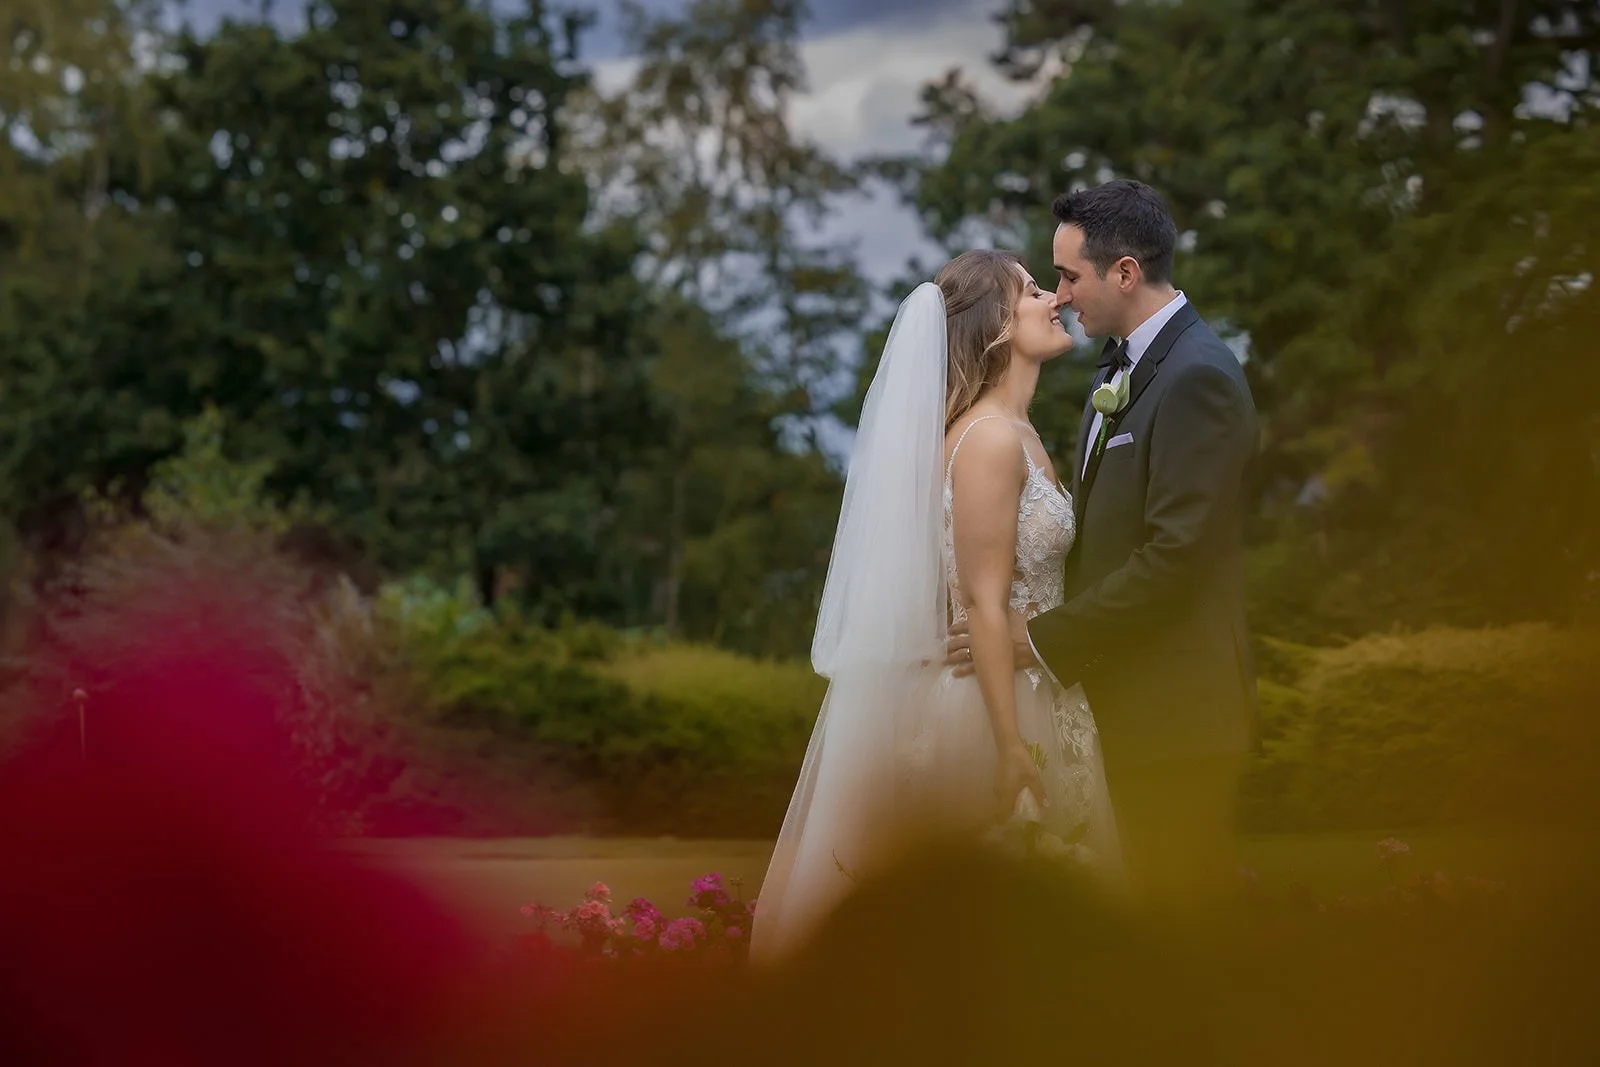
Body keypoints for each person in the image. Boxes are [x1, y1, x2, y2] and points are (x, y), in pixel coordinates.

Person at [750, 250, 1120, 966]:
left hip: (1043, 684)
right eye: (1035, 292)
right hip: (995, 704)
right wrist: (1011, 745)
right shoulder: (986, 440)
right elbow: (983, 601)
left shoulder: (1022, 435)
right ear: (995, 329)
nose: (1055, 301)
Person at [949, 179, 1260, 907]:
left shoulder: (1199, 377)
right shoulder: (1115, 371)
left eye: (1067, 275)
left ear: (1124, 272)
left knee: (1178, 937)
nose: (1059, 295)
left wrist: (1040, 638)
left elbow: (1174, 560)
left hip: (1174, 717)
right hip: (1112, 705)